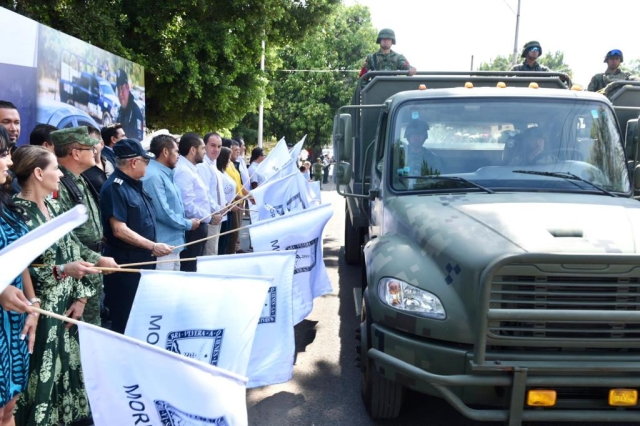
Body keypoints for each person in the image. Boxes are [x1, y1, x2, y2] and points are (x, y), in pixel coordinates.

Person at [12, 145, 101, 426]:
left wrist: (81, 296)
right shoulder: (18, 215)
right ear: (38, 173)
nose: (60, 175)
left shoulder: (53, 206)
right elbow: (20, 269)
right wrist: (63, 271)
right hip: (40, 312)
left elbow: (73, 248)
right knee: (42, 382)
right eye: (55, 169)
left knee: (69, 378)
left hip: (66, 311)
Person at [100, 139, 173, 334]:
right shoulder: (115, 187)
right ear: (134, 162)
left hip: (143, 263)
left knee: (139, 317)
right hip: (126, 266)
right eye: (145, 161)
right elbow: (119, 229)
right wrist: (152, 246)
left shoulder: (135, 185)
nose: (147, 166)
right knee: (125, 319)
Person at [51, 126, 119, 327]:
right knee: (80, 337)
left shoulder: (81, 179)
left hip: (91, 268)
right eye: (90, 148)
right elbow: (65, 240)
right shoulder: (58, 187)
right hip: (77, 274)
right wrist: (96, 259)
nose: (96, 149)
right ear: (75, 153)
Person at [0, 127, 38, 426]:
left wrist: (33, 301)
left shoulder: (6, 203)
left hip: (14, 323)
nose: (8, 162)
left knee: (8, 409)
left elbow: (20, 258)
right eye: (1, 155)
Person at [143, 134, 197, 270]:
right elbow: (163, 212)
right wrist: (188, 224)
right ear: (165, 152)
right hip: (163, 245)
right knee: (163, 289)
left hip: (173, 243)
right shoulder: (154, 176)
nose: (179, 155)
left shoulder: (164, 173)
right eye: (176, 151)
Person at [174, 133, 215, 270]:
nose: (204, 152)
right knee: (189, 268)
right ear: (193, 150)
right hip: (192, 228)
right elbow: (187, 205)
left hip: (199, 225)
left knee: (195, 266)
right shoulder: (184, 171)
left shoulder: (192, 169)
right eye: (203, 148)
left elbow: (204, 196)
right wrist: (209, 218)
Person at [196, 133, 225, 256]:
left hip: (217, 216)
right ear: (204, 146)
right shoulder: (203, 165)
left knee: (213, 253)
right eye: (213, 145)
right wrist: (216, 211)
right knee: (210, 255)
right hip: (210, 218)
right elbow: (204, 194)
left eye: (219, 146)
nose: (216, 149)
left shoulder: (213, 164)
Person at [216, 147, 241, 255]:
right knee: (223, 243)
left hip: (229, 210)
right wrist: (230, 206)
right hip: (224, 211)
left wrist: (239, 197)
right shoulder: (218, 173)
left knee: (229, 238)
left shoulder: (223, 172)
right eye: (228, 159)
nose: (229, 162)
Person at [81, 125, 112, 195]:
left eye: (92, 143)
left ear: (102, 144)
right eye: (86, 143)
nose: (89, 147)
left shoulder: (109, 162)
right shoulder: (83, 171)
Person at [115, 70, 144, 141]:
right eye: (118, 89)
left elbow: (138, 140)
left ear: (128, 87)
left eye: (122, 88)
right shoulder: (120, 112)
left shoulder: (135, 111)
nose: (120, 94)